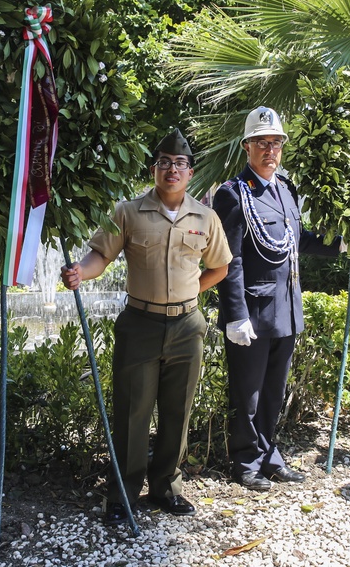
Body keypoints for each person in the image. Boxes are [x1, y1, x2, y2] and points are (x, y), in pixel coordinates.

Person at [60, 128, 232, 523]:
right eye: (165, 163)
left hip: (187, 326)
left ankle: (166, 489)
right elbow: (100, 255)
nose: (172, 170)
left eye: (180, 164)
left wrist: (188, 293)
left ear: (190, 172)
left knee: (178, 411)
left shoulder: (206, 217)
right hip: (140, 324)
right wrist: (81, 272)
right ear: (155, 169)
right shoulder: (128, 212)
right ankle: (122, 494)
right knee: (132, 413)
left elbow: (220, 267)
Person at [212, 106, 342, 492]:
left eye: (275, 143)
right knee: (248, 394)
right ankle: (245, 461)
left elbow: (297, 240)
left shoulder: (286, 189)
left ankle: (270, 456)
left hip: (286, 310)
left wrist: (340, 243)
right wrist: (235, 314)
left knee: (274, 392)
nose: (270, 150)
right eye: (261, 143)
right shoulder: (233, 193)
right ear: (247, 146)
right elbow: (229, 259)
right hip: (252, 312)